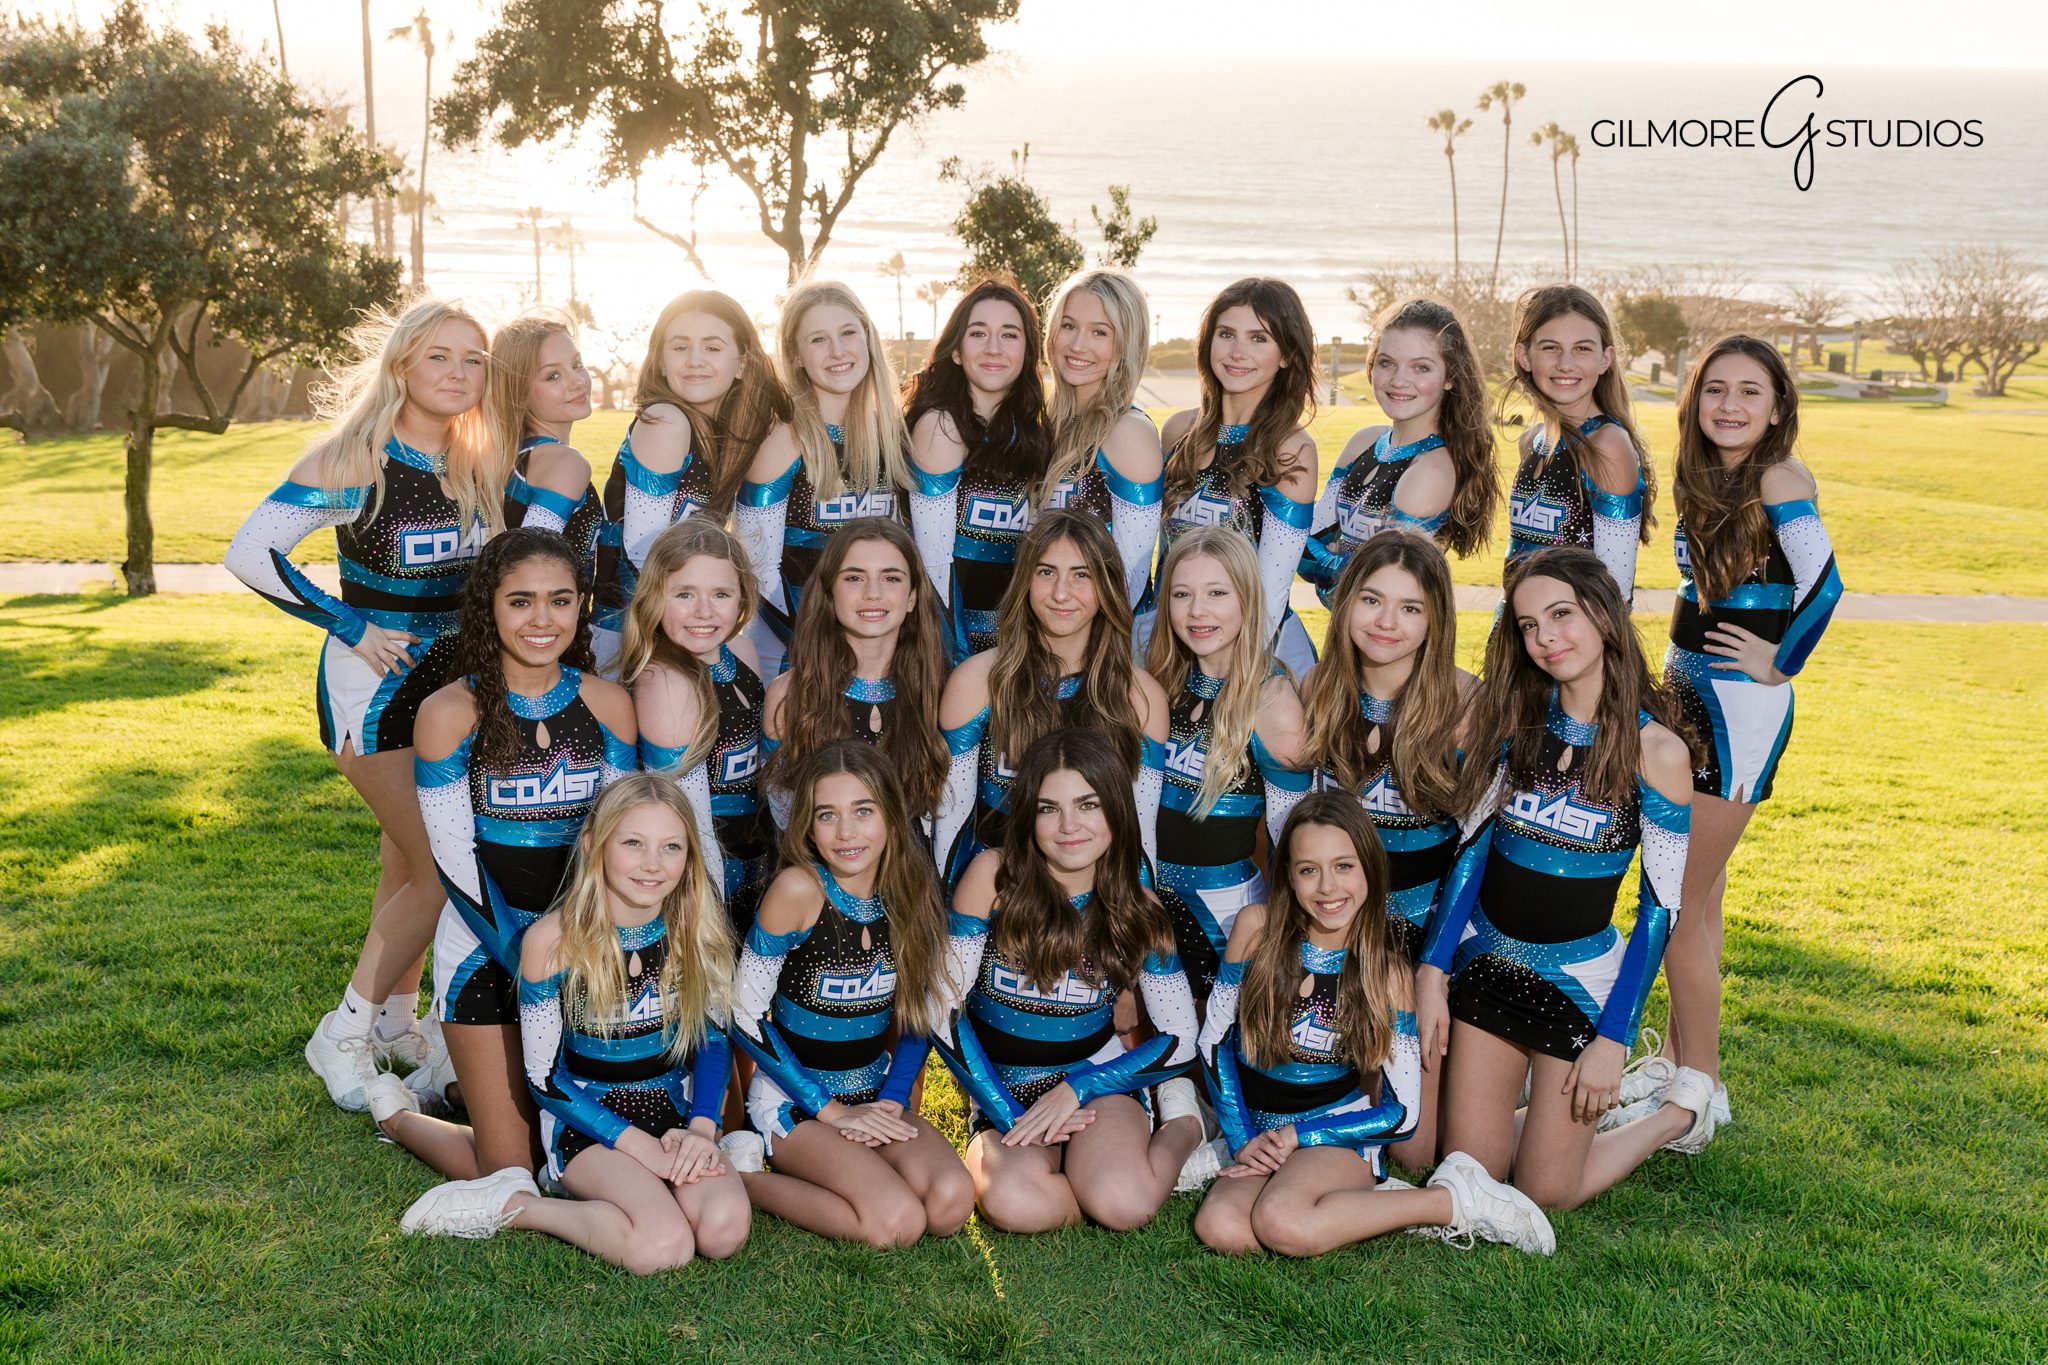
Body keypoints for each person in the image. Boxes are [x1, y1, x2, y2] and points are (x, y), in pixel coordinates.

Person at [225, 299, 502, 1109]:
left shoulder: (475, 461)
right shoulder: (357, 457)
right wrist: (350, 622)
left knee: (405, 861)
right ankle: (342, 1030)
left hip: (455, 696)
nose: (457, 373)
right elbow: (251, 550)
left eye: (473, 359)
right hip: (374, 695)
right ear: (403, 366)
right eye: (439, 357)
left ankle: (393, 1023)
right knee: (445, 868)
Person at [1418, 548, 1717, 1215]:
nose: (1545, 636)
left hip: (1579, 982)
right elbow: (1470, 855)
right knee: (1471, 1167)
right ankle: (1555, 1128)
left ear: (1605, 616)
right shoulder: (1515, 723)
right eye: (1528, 625)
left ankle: (1676, 1112)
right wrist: (1435, 970)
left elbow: (1660, 910)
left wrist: (1614, 1039)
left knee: (1547, 1190)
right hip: (1489, 961)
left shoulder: (1655, 752)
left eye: (1561, 614)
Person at [369, 528, 638, 1185]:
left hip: (584, 943)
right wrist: (527, 959)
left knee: (571, 1155)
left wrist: (582, 948)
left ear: (581, 606)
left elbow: (619, 846)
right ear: (489, 607)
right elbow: (456, 859)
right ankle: (397, 1111)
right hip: (484, 952)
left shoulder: (608, 706)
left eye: (559, 600)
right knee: (513, 1167)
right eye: (520, 601)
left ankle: (471, 1090)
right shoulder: (447, 712)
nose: (541, 619)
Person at [398, 776, 753, 1272]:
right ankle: (519, 1205)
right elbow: (545, 1079)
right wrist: (638, 1149)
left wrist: (699, 1128)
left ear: (690, 856)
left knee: (723, 1231)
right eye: (633, 843)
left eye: (671, 847)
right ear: (594, 845)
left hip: (673, 1109)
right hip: (588, 1118)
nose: (653, 864)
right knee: (661, 1247)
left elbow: (712, 1040)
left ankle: (664, 1179)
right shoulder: (553, 942)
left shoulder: (697, 929)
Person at [1623, 335, 1842, 1129]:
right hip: (1686, 688)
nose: (1730, 405)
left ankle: (1697, 1090)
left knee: (1672, 900)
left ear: (1778, 406)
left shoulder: (1779, 476)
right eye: (1715, 389)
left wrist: (1782, 662)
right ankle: (1682, 1069)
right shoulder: (1705, 476)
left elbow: (1825, 583)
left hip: (1738, 708)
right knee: (1700, 901)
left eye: (1750, 391)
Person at [1192, 794, 1552, 1256]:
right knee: (1223, 1228)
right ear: (1288, 876)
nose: (1327, 887)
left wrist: (1302, 1136)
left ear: (1369, 870)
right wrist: (1242, 1140)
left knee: (1282, 1222)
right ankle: (1359, 1205)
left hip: (1336, 1133)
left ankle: (1449, 1201)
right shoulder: (1256, 929)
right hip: (1261, 1130)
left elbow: (1403, 1113)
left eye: (1343, 866)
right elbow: (1214, 1043)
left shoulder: (1387, 974)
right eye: (1308, 870)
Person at [937, 729, 1209, 1233]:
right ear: (1028, 817)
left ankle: (1184, 1127)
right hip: (1003, 1087)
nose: (1069, 827)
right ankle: (1086, 1166)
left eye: (1088, 805)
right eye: (1048, 809)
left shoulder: (1138, 905)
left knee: (1125, 1206)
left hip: (1095, 1082)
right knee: (1016, 1204)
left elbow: (1180, 1040)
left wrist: (1079, 1087)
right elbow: (941, 1010)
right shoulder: (993, 878)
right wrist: (1003, 1108)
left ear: (1116, 812)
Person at [729, 741, 975, 1247]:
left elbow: (920, 1018)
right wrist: (831, 1111)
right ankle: (749, 1179)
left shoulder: (909, 893)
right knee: (895, 1223)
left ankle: (862, 1164)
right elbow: (744, 1014)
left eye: (863, 811)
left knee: (951, 1202)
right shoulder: (797, 891)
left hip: (870, 1089)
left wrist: (887, 1103)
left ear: (890, 814)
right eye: (827, 815)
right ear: (807, 825)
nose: (846, 833)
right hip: (795, 1100)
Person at [1298, 533, 1471, 1166]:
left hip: (1422, 939)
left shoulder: (1464, 705)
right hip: (1335, 930)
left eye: (1411, 607)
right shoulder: (1319, 686)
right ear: (1345, 605)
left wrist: (1434, 972)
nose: (1387, 623)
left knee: (1414, 1153)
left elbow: (1478, 851)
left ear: (1434, 621)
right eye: (1371, 600)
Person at [934, 511, 1169, 885]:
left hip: (1096, 907)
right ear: (1025, 580)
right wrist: (961, 916)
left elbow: (1139, 839)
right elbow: (951, 825)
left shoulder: (1140, 697)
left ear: (1106, 586)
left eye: (1081, 575)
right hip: (996, 895)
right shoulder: (977, 682)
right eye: (1046, 572)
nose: (1062, 593)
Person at [1142, 528, 1311, 999]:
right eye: (1182, 594)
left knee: (1212, 1056)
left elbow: (1288, 838)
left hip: (1226, 920)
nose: (1198, 611)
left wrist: (1282, 940)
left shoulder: (1272, 700)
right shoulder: (1159, 684)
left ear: (1248, 600)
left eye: (1217, 593)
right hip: (1148, 904)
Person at [591, 291, 792, 674]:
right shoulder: (666, 421)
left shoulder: (732, 435)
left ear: (742, 365)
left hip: (684, 626)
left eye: (712, 347)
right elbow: (640, 556)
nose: (695, 360)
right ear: (661, 363)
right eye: (680, 346)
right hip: (629, 636)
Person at [736, 281, 911, 674]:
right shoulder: (785, 439)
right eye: (818, 339)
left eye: (848, 333)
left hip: (876, 650)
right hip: (789, 653)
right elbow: (755, 570)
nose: (838, 351)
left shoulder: (892, 435)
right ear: (796, 356)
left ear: (867, 338)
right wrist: (821, 650)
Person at [1156, 278, 1321, 674]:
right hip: (1173, 641)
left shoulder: (1290, 449)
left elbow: (1272, 584)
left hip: (1254, 650)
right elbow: (1161, 559)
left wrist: (1240, 676)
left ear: (1286, 355)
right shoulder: (1178, 430)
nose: (1237, 352)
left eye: (1259, 338)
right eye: (1226, 334)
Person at [620, 518, 774, 933]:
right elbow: (687, 819)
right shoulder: (667, 682)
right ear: (654, 597)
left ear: (742, 597)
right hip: (706, 868)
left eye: (721, 594)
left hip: (755, 851)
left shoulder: (740, 649)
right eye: (685, 594)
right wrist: (706, 919)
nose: (704, 612)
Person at [1301, 298, 1497, 605]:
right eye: (1387, 362)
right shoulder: (1364, 442)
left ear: (1450, 378)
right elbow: (1305, 537)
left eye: (1421, 367)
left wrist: (1327, 558)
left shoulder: (1430, 470)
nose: (1399, 380)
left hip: (1394, 643)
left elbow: (1378, 590)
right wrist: (1333, 560)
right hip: (1348, 639)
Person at [759, 518, 950, 832]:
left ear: (912, 596)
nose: (873, 593)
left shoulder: (940, 693)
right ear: (830, 593)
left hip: (916, 873)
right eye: (854, 578)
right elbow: (787, 825)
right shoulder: (791, 696)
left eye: (890, 578)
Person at [904, 278, 1054, 662]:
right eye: (978, 333)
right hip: (949, 640)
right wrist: (955, 659)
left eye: (1009, 334)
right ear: (956, 351)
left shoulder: (1034, 433)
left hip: (1018, 640)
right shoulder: (941, 427)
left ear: (1027, 351)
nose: (993, 348)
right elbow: (933, 562)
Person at [1499, 285, 1654, 601]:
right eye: (1550, 348)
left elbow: (1617, 591)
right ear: (1524, 356)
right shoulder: (1533, 440)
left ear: (1605, 359)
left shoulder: (1607, 445)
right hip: (1512, 635)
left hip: (1572, 641)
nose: (1566, 364)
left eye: (1582, 348)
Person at [1037, 269, 1164, 609]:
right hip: (1040, 630)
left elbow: (1132, 579)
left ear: (1125, 344)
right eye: (1068, 326)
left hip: (1101, 645)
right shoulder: (1046, 423)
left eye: (1099, 332)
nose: (1078, 345)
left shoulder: (1128, 432)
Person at [490, 312, 603, 586]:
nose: (577, 381)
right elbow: (527, 574)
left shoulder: (515, 457)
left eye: (577, 364)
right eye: (553, 376)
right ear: (518, 394)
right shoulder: (565, 463)